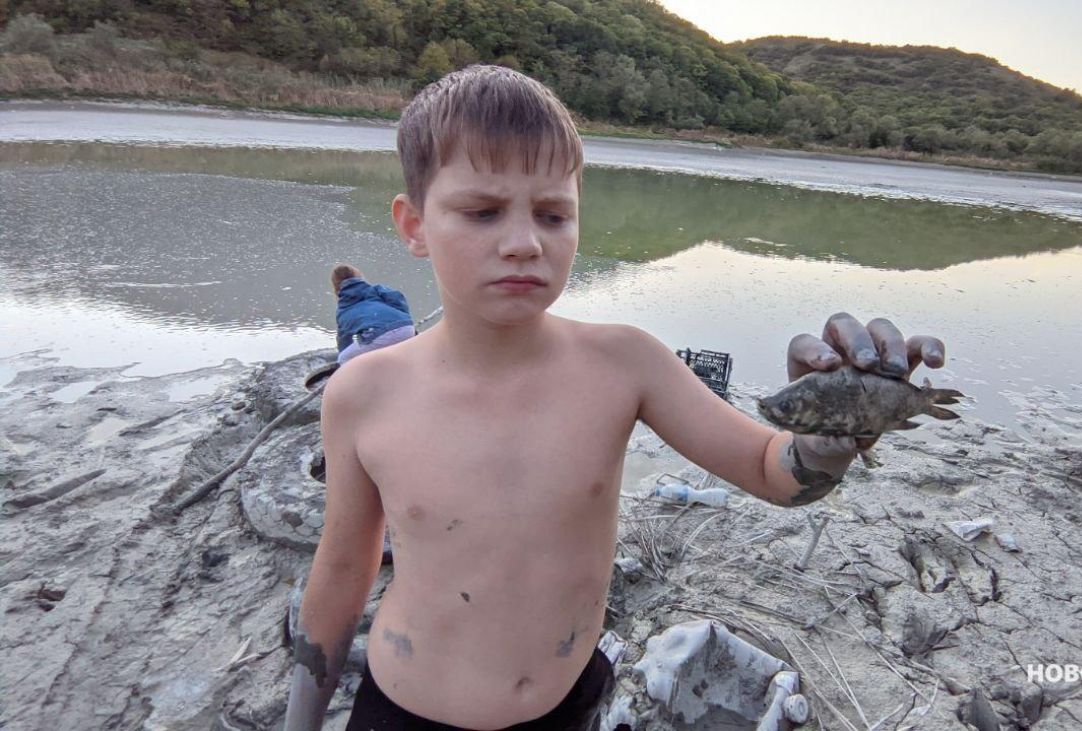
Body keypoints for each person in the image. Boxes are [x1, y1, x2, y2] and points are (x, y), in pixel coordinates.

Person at [282, 64, 947, 731]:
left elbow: (774, 471)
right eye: (482, 211)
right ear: (414, 224)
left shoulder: (625, 363)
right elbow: (342, 574)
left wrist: (831, 427)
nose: (524, 242)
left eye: (553, 213)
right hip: (408, 711)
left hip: (569, 703)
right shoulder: (363, 394)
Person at [331, 264, 417, 366]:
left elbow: (344, 339)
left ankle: (364, 380)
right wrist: (404, 319)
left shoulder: (343, 310)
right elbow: (397, 298)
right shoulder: (376, 289)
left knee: (344, 358)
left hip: (380, 335)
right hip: (407, 328)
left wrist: (346, 352)